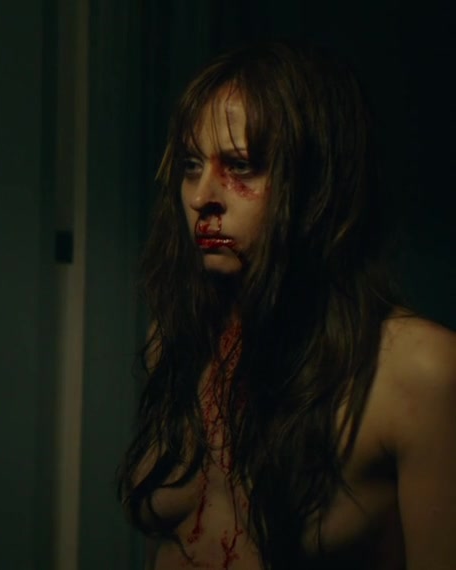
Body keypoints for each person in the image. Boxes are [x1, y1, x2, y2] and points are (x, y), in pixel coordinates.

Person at [119, 42, 456, 569]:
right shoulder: (180, 335)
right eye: (190, 165)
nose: (201, 196)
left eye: (240, 166)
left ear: (315, 185)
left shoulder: (419, 370)